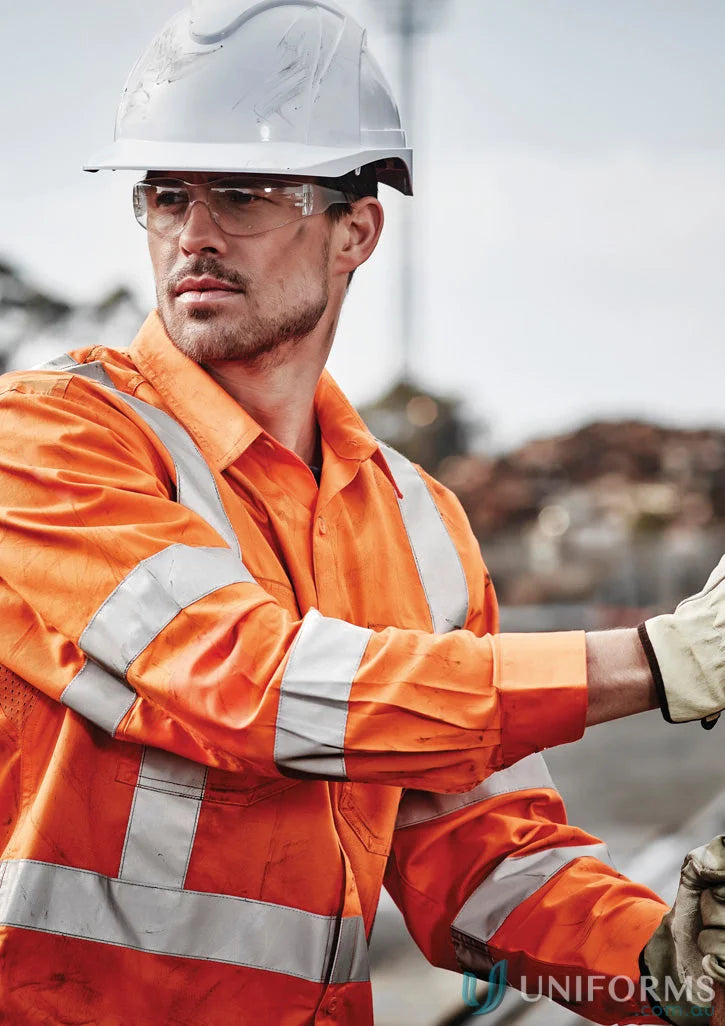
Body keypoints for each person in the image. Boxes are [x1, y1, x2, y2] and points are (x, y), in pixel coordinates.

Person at [0, 2, 724, 1024]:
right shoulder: (49, 440)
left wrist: (665, 974)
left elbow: (476, 867)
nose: (192, 235)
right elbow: (246, 685)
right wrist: (656, 662)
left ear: (356, 229)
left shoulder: (418, 526)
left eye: (241, 194)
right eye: (165, 196)